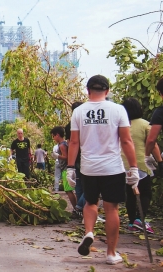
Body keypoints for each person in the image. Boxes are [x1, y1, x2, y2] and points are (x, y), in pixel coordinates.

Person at [67, 75, 139, 265]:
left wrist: (69, 168)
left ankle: (89, 232)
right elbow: (126, 140)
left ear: (88, 91)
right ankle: (110, 253)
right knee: (111, 209)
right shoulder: (118, 110)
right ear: (107, 91)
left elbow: (74, 142)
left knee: (91, 203)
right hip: (112, 168)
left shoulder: (79, 112)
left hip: (89, 168)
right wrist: (134, 167)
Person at [121, 98, 161, 234]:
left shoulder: (121, 126)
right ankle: (140, 219)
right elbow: (152, 143)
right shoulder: (145, 124)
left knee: (130, 194)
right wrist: (159, 161)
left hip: (124, 164)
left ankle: (132, 222)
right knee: (145, 193)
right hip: (141, 163)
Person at [65, 102, 86, 219]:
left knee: (79, 185)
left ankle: (80, 209)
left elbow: (70, 143)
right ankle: (79, 206)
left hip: (75, 158)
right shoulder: (86, 123)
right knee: (89, 186)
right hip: (86, 158)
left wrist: (70, 165)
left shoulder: (69, 125)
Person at [51, 126, 77, 211]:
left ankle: (76, 209)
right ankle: (77, 208)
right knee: (69, 190)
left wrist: (57, 156)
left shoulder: (62, 145)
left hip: (66, 169)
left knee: (68, 190)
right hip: (65, 169)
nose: (53, 138)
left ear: (57, 135)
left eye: (53, 136)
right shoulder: (63, 144)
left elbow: (66, 157)